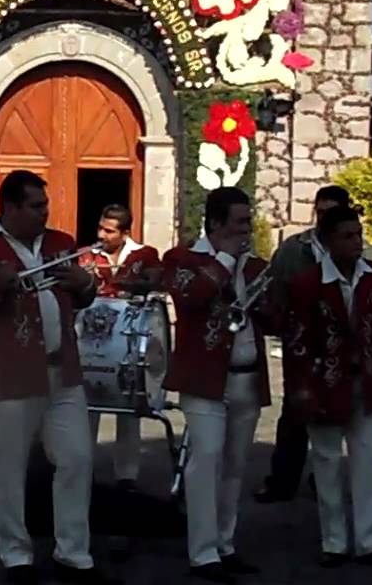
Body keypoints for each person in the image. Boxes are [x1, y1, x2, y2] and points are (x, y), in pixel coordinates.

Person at [0, 170, 110, 585]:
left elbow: (80, 298)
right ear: (10, 208)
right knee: (12, 468)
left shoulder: (61, 244)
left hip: (63, 370)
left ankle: (73, 555)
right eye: (36, 206)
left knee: (77, 458)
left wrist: (85, 285)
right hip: (10, 375)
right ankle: (16, 556)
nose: (45, 212)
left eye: (45, 205)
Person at [284, 205, 372, 568]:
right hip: (324, 382)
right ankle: (334, 541)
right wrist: (301, 389)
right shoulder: (307, 284)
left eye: (359, 234)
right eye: (347, 236)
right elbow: (297, 341)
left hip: (364, 380)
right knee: (326, 461)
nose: (357, 242)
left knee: (367, 460)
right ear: (328, 242)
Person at [162, 188, 270, 583]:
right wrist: (224, 260)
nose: (247, 229)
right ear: (216, 223)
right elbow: (191, 297)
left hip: (247, 375)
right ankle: (203, 552)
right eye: (240, 222)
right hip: (203, 377)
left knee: (235, 465)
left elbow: (274, 317)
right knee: (206, 459)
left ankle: (225, 544)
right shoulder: (182, 259)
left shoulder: (255, 266)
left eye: (248, 221)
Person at [255, 185, 352, 503]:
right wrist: (283, 326)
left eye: (330, 212)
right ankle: (282, 481)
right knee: (294, 411)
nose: (323, 218)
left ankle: (324, 479)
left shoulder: (354, 247)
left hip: (341, 346)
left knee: (338, 413)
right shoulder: (294, 249)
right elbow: (275, 289)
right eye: (319, 211)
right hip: (301, 344)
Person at [79, 204, 160, 491]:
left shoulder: (144, 255)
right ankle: (82, 470)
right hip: (92, 338)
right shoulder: (87, 255)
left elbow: (155, 280)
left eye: (109, 231)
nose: (102, 235)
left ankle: (127, 475)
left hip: (129, 337)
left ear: (125, 233)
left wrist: (133, 284)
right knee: (88, 404)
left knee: (129, 405)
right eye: (100, 228)